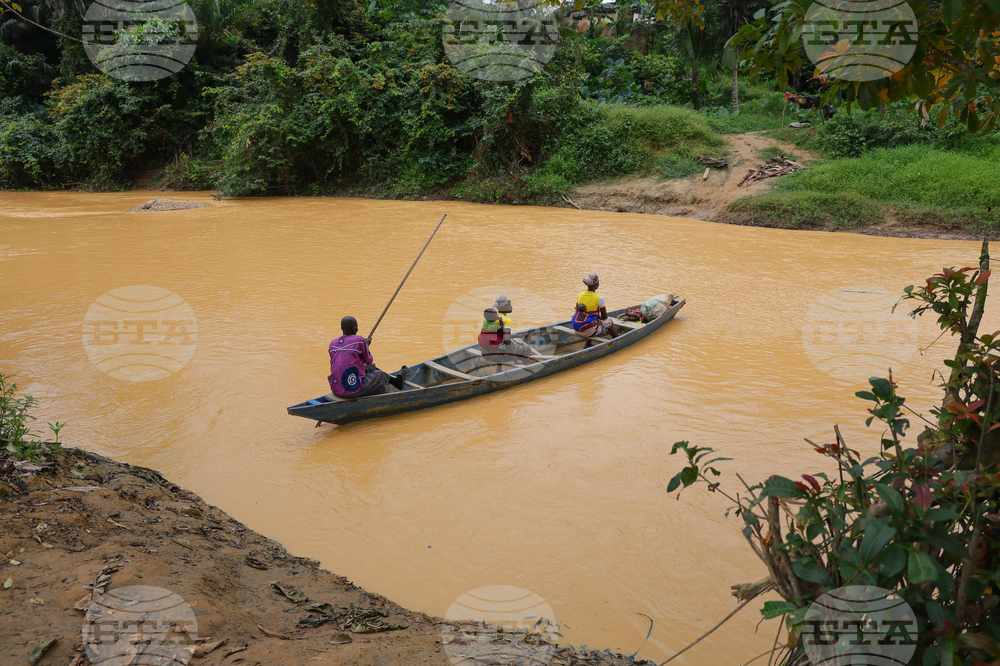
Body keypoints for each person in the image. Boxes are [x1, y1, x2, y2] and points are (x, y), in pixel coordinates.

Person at [327, 316, 406, 398]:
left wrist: (363, 345)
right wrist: (366, 345)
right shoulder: (358, 340)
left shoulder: (333, 344)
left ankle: (396, 382)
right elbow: (368, 360)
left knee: (371, 368)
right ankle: (398, 382)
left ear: (341, 328)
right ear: (354, 328)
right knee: (380, 374)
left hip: (335, 388)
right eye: (356, 327)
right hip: (350, 389)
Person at [572, 273, 620, 339]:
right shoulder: (599, 298)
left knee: (592, 320)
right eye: (598, 282)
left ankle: (588, 344)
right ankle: (617, 339)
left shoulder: (580, 295)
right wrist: (599, 318)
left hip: (576, 329)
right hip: (589, 332)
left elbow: (578, 310)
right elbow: (604, 317)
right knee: (609, 321)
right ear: (595, 284)